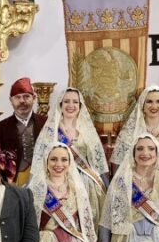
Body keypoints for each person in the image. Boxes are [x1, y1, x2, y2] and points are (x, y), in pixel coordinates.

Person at [32, 86, 108, 219]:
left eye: (75, 102)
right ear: (60, 105)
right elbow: (40, 158)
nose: (71, 105)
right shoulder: (51, 130)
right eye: (67, 101)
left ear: (80, 106)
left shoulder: (87, 130)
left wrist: (106, 187)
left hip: (85, 182)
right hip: (58, 178)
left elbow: (98, 161)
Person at [0, 77, 44, 186]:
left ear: (34, 98)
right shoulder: (1, 128)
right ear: (11, 100)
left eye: (26, 96)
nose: (22, 101)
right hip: (13, 183)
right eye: (17, 97)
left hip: (42, 179)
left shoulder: (46, 123)